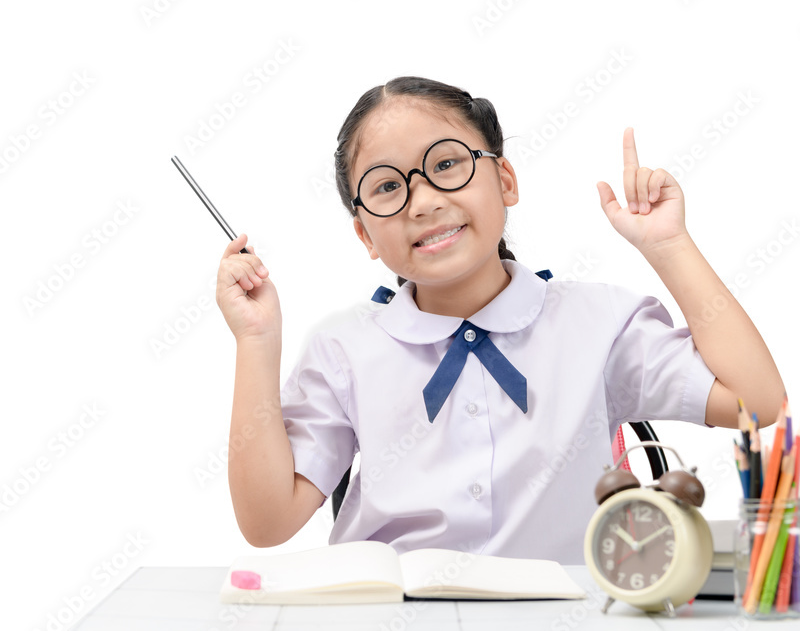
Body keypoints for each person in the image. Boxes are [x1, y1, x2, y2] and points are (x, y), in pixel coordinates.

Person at [215, 76, 784, 563]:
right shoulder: (344, 349)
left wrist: (669, 245)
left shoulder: (598, 323)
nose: (423, 201)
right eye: (387, 186)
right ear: (365, 234)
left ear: (505, 181)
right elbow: (268, 523)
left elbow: (756, 403)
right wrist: (256, 340)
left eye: (446, 164)